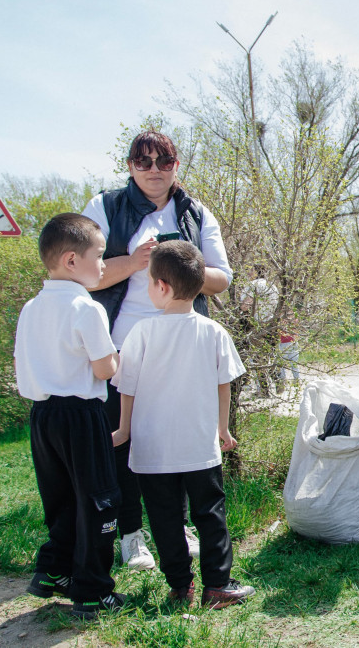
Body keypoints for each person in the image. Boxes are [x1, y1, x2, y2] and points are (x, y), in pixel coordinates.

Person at [82, 130, 233, 571]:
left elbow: (222, 278)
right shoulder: (105, 207)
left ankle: (179, 525)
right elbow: (84, 275)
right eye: (143, 161)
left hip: (181, 351)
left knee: (178, 441)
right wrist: (137, 261)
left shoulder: (195, 212)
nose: (153, 170)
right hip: (118, 348)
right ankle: (132, 534)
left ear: (175, 166)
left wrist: (181, 263)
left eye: (163, 162)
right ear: (130, 165)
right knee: (123, 443)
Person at [111, 241, 255, 609]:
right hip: (199, 446)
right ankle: (217, 586)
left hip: (151, 448)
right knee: (210, 516)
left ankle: (179, 587)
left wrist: (124, 429)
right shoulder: (213, 331)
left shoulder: (141, 332)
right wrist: (222, 429)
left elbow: (126, 387)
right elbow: (225, 385)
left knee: (164, 519)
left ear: (161, 286)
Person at [14, 213, 126, 619]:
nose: (103, 264)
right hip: (80, 414)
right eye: (99, 255)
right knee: (99, 501)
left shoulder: (31, 307)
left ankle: (52, 570)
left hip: (42, 415)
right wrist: (117, 356)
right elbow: (104, 370)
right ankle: (94, 590)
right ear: (71, 260)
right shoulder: (86, 307)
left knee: (60, 498)